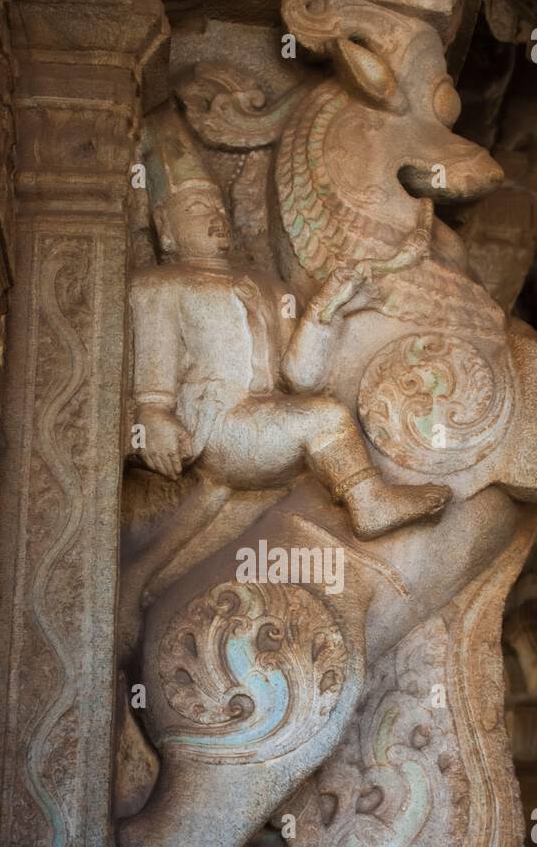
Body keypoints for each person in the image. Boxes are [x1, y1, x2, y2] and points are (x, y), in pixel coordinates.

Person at [129, 108, 450, 541]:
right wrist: (152, 412)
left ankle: (367, 497)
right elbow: (153, 359)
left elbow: (299, 378)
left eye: (219, 209)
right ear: (166, 227)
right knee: (325, 417)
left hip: (263, 413)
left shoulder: (270, 286)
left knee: (321, 412)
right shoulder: (160, 285)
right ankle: (369, 502)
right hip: (216, 425)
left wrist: (326, 309)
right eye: (197, 209)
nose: (215, 219)